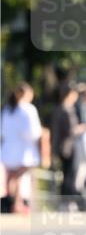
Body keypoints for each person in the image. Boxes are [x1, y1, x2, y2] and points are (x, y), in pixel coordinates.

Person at [0, 82, 43, 213]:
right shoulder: (28, 109)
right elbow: (34, 132)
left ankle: (9, 201)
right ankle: (17, 203)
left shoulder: (7, 109)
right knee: (19, 176)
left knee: (11, 176)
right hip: (24, 149)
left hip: (8, 148)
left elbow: (2, 131)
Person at [50, 83, 82, 202]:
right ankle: (66, 201)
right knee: (68, 175)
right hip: (67, 146)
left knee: (66, 174)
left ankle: (64, 200)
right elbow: (71, 130)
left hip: (61, 146)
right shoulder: (66, 109)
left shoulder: (58, 108)